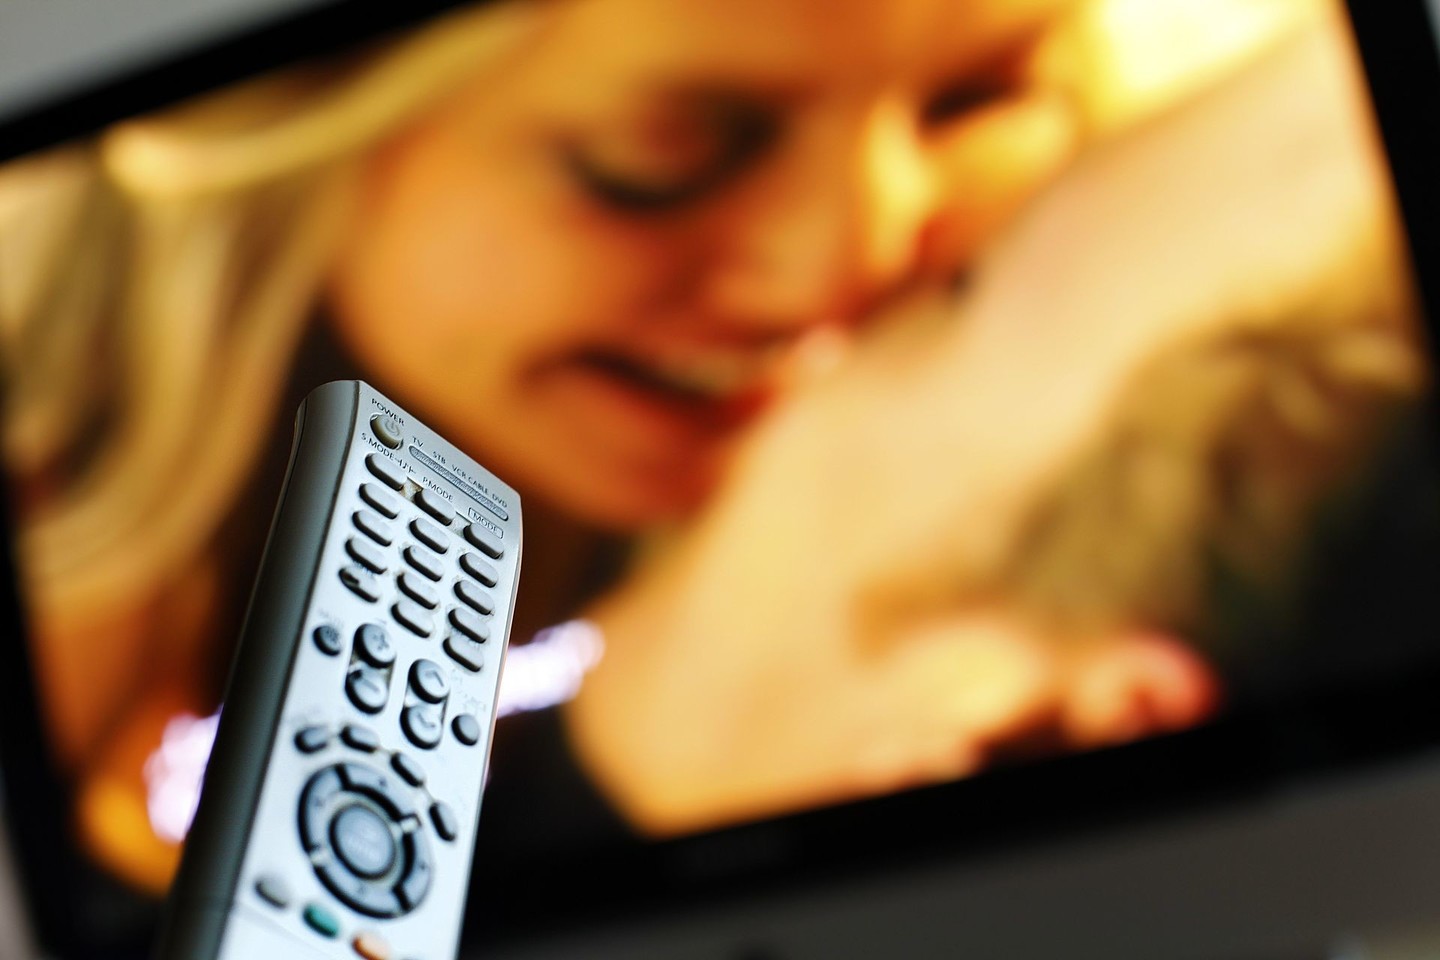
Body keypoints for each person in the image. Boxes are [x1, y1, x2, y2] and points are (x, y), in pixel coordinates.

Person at [0, 0, 1419, 887]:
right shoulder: (74, 589)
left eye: (979, 97)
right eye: (660, 159)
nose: (855, 255)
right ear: (293, 140)